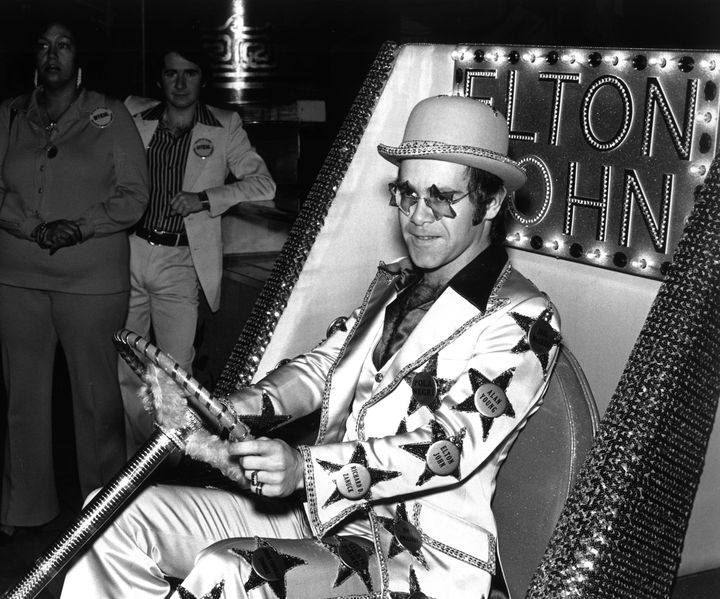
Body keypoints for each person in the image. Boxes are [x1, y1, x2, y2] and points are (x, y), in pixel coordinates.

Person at [60, 96, 561, 599]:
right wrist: (226, 408)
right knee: (110, 516)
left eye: (442, 197)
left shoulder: (523, 319)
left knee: (228, 570)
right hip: (318, 518)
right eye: (407, 195)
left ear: (491, 203)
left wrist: (306, 469)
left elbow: (445, 447)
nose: (418, 217)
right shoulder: (396, 286)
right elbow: (321, 368)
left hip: (414, 554)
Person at [0, 20, 148, 534]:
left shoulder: (112, 115)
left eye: (63, 45)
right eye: (43, 45)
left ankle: (105, 513)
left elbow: (134, 196)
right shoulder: (10, 114)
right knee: (23, 398)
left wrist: (79, 228)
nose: (52, 54)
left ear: (79, 57)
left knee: (95, 399)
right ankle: (24, 507)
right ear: (33, 56)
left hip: (90, 282)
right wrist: (30, 226)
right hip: (17, 277)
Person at [119, 42, 276, 455]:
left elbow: (264, 185)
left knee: (174, 371)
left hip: (180, 260)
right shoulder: (134, 115)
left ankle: (170, 462)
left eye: (190, 73)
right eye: (172, 73)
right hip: (129, 251)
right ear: (159, 79)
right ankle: (136, 464)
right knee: (127, 367)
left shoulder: (224, 126)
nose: (181, 82)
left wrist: (204, 198)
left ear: (203, 79)